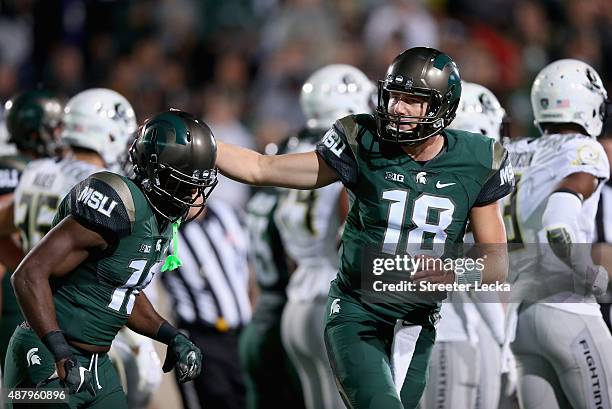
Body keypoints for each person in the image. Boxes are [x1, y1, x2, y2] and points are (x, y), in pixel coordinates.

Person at [215, 46, 513, 409]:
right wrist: (205, 147)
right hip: (358, 313)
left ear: (442, 107)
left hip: (417, 323)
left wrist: (449, 274)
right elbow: (262, 168)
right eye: (394, 96)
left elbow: (495, 265)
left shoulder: (477, 158)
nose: (397, 108)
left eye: (412, 100)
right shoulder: (363, 141)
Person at [2, 109, 217, 408]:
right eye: (184, 183)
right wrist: (60, 351)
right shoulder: (119, 203)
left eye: (197, 184)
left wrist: (172, 336)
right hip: (45, 354)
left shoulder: (158, 218)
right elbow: (28, 274)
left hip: (96, 364)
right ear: (153, 170)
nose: (194, 193)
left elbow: (122, 290)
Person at [504, 59, 612, 409]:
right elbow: (558, 223)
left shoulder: (516, 152)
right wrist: (590, 273)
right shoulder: (584, 149)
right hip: (569, 310)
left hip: (521, 320)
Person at [276, 64, 373, 409]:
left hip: (296, 301)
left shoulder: (297, 149)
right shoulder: (349, 153)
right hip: (330, 299)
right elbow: (350, 236)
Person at [419, 81, 510, 409]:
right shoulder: (463, 189)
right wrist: (505, 339)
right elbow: (484, 280)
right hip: (449, 329)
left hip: (449, 325)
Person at [0, 90, 63, 408]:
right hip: (22, 307)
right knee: (33, 397)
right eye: (54, 128)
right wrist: (24, 266)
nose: (60, 136)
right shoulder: (15, 169)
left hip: (39, 300)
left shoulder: (48, 171)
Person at [160, 197, 252, 409]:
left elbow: (247, 266)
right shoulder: (165, 229)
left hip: (242, 335)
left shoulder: (225, 212)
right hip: (201, 339)